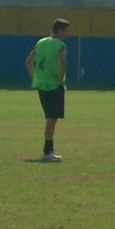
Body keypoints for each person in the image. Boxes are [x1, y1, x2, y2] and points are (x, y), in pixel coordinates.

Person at [26, 18, 70, 161]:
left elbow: (28, 61)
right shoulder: (60, 45)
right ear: (60, 30)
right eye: (66, 31)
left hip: (41, 84)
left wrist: (35, 77)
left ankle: (48, 150)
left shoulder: (41, 42)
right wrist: (61, 78)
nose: (67, 35)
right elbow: (63, 61)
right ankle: (47, 151)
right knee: (52, 119)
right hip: (54, 85)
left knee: (49, 118)